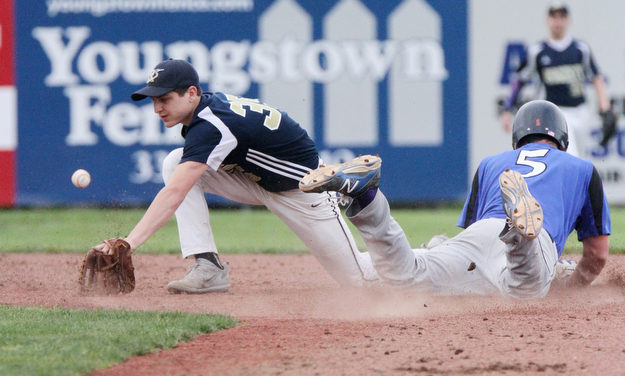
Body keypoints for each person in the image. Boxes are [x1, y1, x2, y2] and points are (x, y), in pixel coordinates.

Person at [94, 58, 378, 293]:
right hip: (256, 179)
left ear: (191, 93)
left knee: (359, 280)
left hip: (304, 191)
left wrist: (128, 243)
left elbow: (174, 193)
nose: (157, 108)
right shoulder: (203, 114)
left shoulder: (211, 126)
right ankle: (208, 265)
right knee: (175, 162)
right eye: (153, 100)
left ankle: (422, 259)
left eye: (165, 99)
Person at [301, 100, 611, 299]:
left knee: (408, 278)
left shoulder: (492, 162)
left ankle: (367, 198)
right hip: (535, 235)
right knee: (524, 292)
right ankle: (520, 231)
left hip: (484, 230)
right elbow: (597, 255)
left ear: (517, 138)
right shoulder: (582, 168)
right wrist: (569, 288)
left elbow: (479, 255)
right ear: (563, 140)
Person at [499, 2, 612, 157]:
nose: (557, 22)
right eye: (554, 17)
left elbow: (596, 78)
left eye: (561, 17)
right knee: (566, 155)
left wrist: (605, 110)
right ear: (547, 20)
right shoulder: (537, 51)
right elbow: (519, 80)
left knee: (577, 157)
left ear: (568, 20)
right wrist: (507, 108)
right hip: (552, 112)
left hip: (579, 111)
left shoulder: (580, 49)